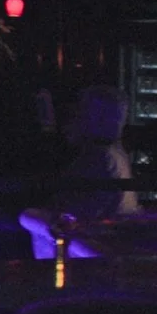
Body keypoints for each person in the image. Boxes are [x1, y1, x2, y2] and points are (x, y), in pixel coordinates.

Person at [52, 84, 141, 222]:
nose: (72, 120)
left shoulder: (100, 157)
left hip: (100, 232)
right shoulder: (115, 154)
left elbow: (87, 211)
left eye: (81, 113)